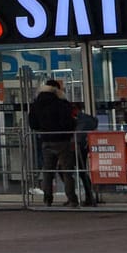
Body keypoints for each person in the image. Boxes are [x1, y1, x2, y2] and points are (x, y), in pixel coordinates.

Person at [26, 78, 80, 206]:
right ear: (57, 89)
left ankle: (47, 200)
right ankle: (72, 199)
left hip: (46, 140)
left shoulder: (37, 103)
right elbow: (68, 122)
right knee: (67, 172)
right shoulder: (61, 103)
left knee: (48, 172)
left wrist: (43, 129)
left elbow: (32, 123)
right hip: (62, 140)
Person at [72, 105, 99, 206]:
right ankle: (88, 196)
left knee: (78, 171)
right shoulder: (87, 119)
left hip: (77, 146)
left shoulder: (80, 120)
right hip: (81, 146)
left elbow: (78, 134)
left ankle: (87, 197)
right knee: (82, 172)